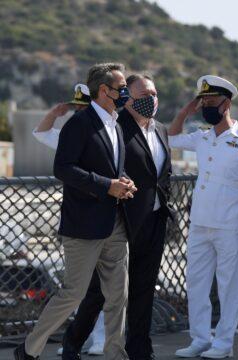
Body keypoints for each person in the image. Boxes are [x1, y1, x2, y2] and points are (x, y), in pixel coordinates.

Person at [15, 63, 135, 360]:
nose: (126, 93)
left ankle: (115, 354)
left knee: (118, 295)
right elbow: (63, 168)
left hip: (115, 223)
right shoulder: (79, 124)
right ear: (104, 90)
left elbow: (111, 167)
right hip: (84, 226)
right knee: (73, 294)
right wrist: (107, 185)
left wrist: (124, 181)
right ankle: (30, 349)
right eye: (121, 87)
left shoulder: (116, 124)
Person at [61, 74, 173, 360]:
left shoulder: (160, 129)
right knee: (100, 292)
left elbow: (163, 174)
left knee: (144, 290)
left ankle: (139, 350)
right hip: (122, 223)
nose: (152, 99)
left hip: (154, 221)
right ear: (129, 99)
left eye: (155, 93)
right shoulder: (117, 127)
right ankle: (72, 342)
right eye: (144, 94)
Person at [169, 75, 238, 359]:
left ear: (227, 103)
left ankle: (224, 344)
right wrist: (187, 111)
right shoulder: (202, 137)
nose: (208, 106)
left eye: (212, 101)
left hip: (229, 224)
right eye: (204, 101)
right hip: (200, 222)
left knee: (229, 286)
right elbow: (171, 137)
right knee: (195, 283)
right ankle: (199, 338)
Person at [31, 83, 106, 358]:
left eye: (81, 108)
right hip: (79, 218)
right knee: (79, 286)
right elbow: (40, 133)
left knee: (104, 286)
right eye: (75, 108)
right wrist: (55, 113)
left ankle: (100, 339)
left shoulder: (108, 133)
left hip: (104, 216)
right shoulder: (71, 135)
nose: (78, 113)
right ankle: (77, 339)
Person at [33, 83, 91, 148]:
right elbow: (42, 133)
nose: (79, 113)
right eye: (77, 107)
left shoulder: (102, 134)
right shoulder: (73, 136)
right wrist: (53, 114)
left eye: (84, 107)